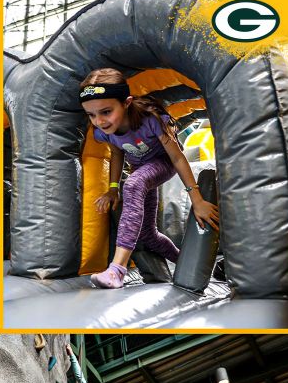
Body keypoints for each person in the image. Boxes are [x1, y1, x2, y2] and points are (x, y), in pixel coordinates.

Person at [80, 68, 219, 289]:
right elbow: (117, 152)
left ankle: (117, 269)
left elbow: (177, 157)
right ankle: (188, 263)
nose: (99, 121)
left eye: (106, 111)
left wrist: (197, 200)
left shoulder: (152, 120)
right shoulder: (104, 131)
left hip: (164, 163)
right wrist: (113, 188)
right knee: (148, 235)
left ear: (126, 103)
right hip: (141, 168)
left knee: (134, 183)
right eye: (91, 114)